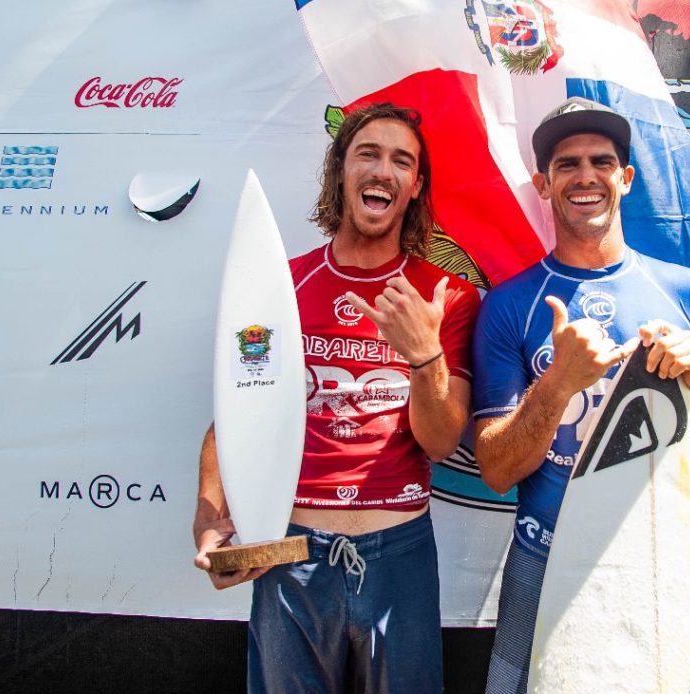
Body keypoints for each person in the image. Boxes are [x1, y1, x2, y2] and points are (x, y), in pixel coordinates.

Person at [193, 103, 480, 693]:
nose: (384, 169)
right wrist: (208, 519)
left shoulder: (445, 296)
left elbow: (442, 439)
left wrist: (424, 354)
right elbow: (236, 416)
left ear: (415, 186)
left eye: (402, 160)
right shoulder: (280, 286)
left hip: (400, 550)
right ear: (341, 170)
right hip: (291, 551)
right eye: (368, 153)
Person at [473, 97, 690, 694]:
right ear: (544, 185)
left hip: (661, 556)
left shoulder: (682, 289)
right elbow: (498, 469)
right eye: (567, 163)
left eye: (602, 161)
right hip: (543, 555)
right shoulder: (509, 304)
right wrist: (558, 383)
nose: (586, 176)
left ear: (625, 179)